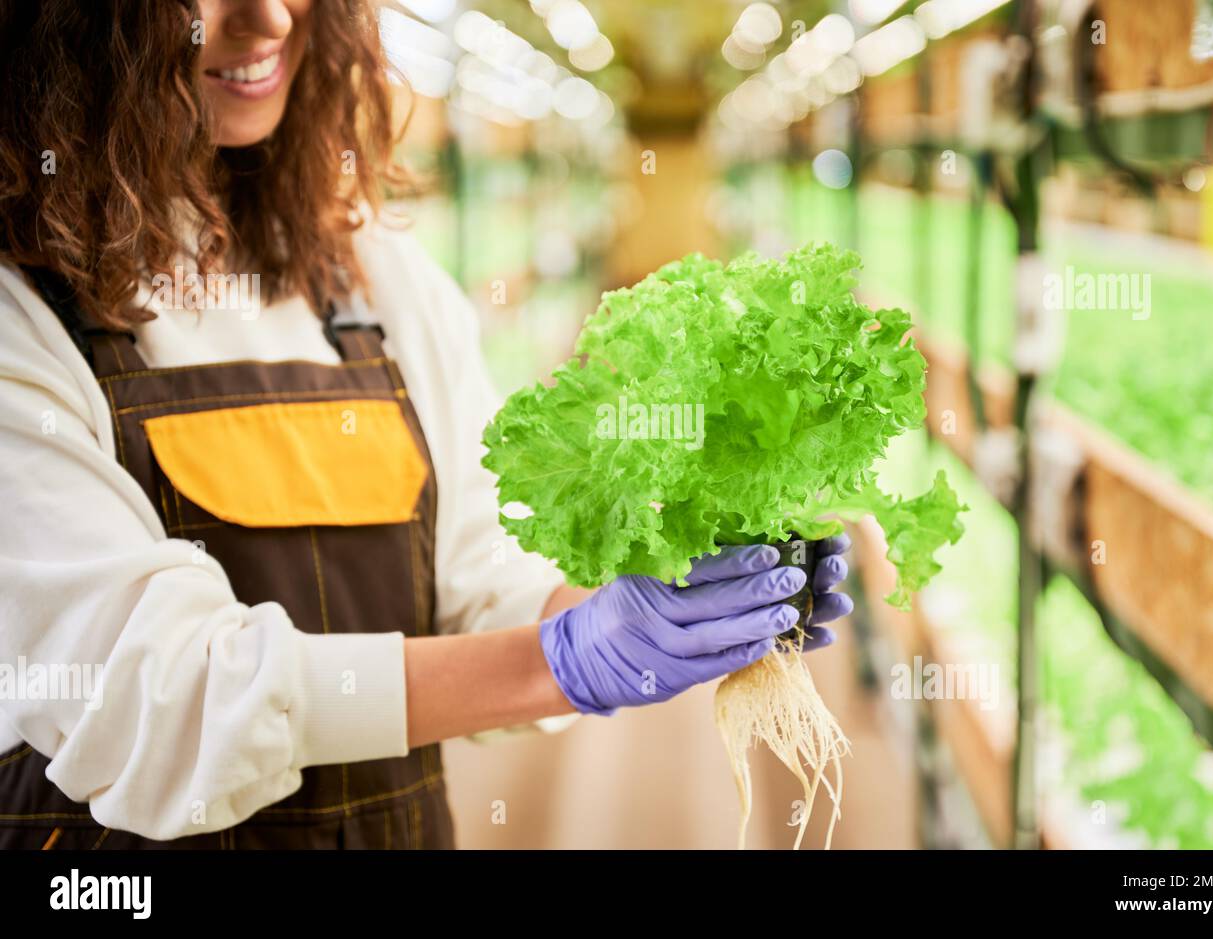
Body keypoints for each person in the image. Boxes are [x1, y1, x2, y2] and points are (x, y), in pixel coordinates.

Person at [0, 0, 852, 849]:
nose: (266, 19)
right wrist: (561, 660)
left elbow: (480, 582)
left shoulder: (371, 272)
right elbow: (161, 701)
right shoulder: (22, 306)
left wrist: (655, 603)